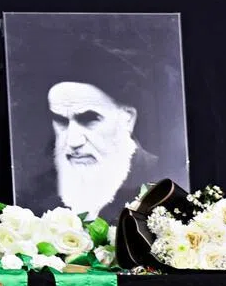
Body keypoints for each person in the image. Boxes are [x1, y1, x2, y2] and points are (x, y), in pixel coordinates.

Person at [42, 80, 158, 220]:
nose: (73, 141)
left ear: (127, 118)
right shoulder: (40, 190)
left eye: (89, 119)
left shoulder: (159, 177)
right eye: (61, 121)